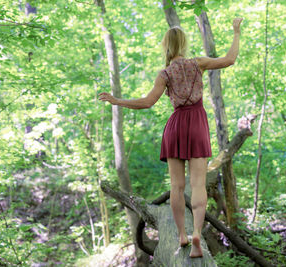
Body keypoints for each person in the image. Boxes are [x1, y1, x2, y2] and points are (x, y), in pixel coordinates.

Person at [99, 17, 242, 258]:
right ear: (184, 44)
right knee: (197, 184)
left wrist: (117, 100)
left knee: (176, 187)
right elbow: (230, 60)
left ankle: (182, 237)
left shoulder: (164, 73)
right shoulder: (198, 63)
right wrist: (236, 32)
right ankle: (196, 232)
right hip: (197, 124)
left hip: (175, 127)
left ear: (166, 46)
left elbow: (146, 102)